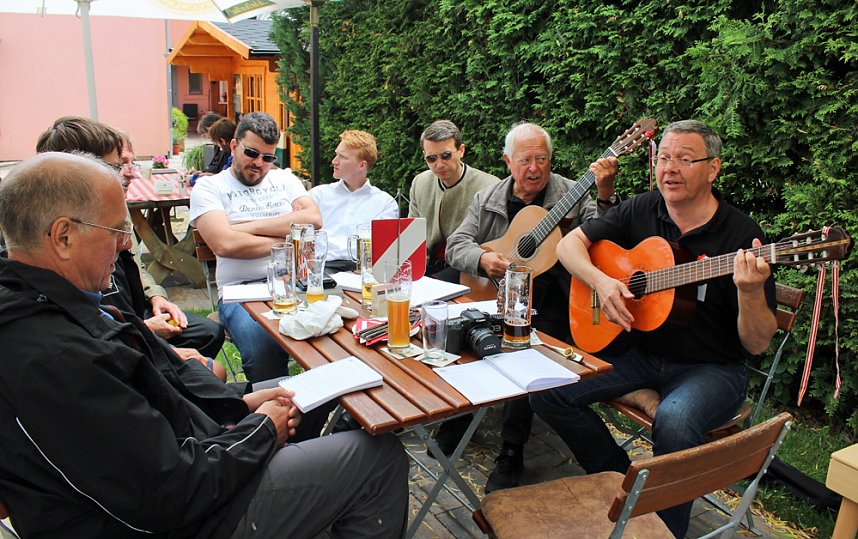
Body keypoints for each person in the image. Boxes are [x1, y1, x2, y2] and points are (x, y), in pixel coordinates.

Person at [0, 152, 409, 538]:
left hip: (201, 463)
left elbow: (161, 397)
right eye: (117, 230)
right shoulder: (56, 356)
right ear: (63, 237)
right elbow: (168, 492)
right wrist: (261, 431)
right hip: (191, 518)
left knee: (312, 398)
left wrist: (243, 402)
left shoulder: (66, 306)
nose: (128, 245)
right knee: (379, 457)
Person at [530, 120, 777, 537]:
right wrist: (602, 281)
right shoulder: (643, 208)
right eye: (663, 157)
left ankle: (663, 530)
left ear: (713, 168)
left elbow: (756, 344)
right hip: (640, 354)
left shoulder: (742, 235)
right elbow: (567, 245)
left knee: (675, 422)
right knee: (546, 390)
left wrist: (750, 291)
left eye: (684, 158)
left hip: (711, 367)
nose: (669, 168)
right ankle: (630, 488)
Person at [445, 121, 619, 493]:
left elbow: (607, 235)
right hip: (493, 295)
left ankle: (511, 450)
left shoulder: (572, 194)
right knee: (457, 331)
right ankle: (455, 420)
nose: (535, 168)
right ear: (508, 161)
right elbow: (455, 244)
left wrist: (604, 194)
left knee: (524, 358)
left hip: (551, 302)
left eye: (542, 159)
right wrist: (482, 260)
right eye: (525, 160)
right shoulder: (488, 198)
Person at [36, 116, 226, 368]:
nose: (131, 174)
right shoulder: (63, 250)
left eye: (131, 163)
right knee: (212, 371)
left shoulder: (103, 217)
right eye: (117, 166)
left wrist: (156, 297)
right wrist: (149, 338)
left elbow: (133, 271)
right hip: (119, 342)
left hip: (126, 326)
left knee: (208, 337)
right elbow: (93, 336)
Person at [190, 112, 322, 384]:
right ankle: (276, 412)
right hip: (241, 292)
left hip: (295, 284)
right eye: (252, 153)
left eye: (268, 158)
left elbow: (313, 219)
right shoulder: (209, 187)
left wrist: (242, 226)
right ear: (233, 145)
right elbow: (225, 244)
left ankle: (324, 406)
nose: (259, 163)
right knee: (263, 345)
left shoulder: (284, 179)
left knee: (340, 332)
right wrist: (289, 235)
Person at [408, 120, 500, 279]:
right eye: (431, 158)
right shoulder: (419, 183)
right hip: (426, 267)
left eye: (445, 155)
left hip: (469, 270)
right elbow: (412, 237)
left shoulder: (490, 186)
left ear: (461, 150)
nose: (439, 164)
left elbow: (494, 244)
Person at [310, 130, 399, 272]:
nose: (334, 161)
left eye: (342, 157)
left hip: (365, 270)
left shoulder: (385, 204)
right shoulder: (318, 195)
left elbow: (386, 251)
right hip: (322, 268)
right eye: (336, 154)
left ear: (362, 165)